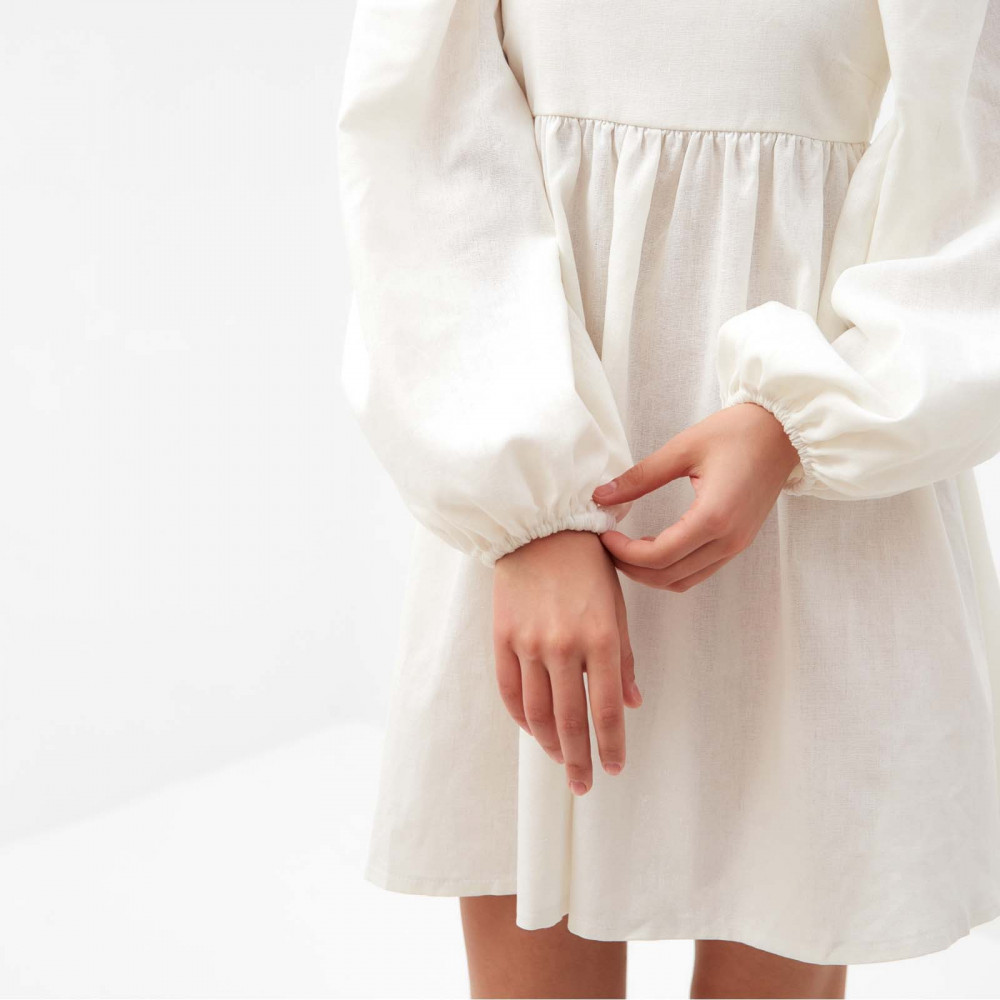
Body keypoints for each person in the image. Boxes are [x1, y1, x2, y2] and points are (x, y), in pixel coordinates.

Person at [336, 1, 1000, 997]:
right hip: (534, 444)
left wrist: (799, 419)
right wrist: (530, 512)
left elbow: (974, 169)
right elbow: (419, 141)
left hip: (817, 502)